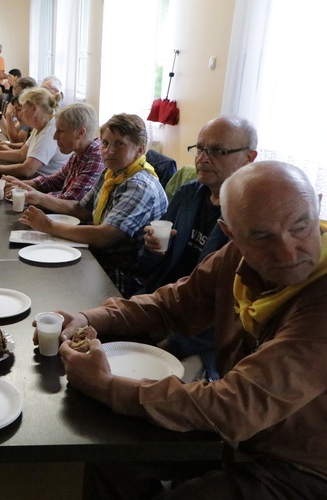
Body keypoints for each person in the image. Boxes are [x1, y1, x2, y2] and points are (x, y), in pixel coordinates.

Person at [55, 161, 327, 499]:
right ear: (231, 233)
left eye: (301, 226)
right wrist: (90, 317)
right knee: (111, 454)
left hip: (302, 466)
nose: (288, 251)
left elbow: (238, 405)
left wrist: (106, 386)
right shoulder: (234, 258)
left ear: (316, 207)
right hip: (240, 437)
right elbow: (172, 304)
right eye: (261, 235)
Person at [136, 116, 259, 376]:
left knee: (158, 384)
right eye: (200, 148)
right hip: (162, 308)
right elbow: (147, 267)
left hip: (203, 338)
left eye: (217, 150)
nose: (203, 158)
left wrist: (174, 342)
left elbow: (233, 312)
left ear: (249, 158)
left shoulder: (251, 219)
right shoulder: (187, 194)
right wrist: (151, 250)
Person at [19, 113, 167, 297]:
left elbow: (105, 236)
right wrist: (38, 198)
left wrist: (48, 226)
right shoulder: (112, 173)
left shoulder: (138, 185)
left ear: (140, 149)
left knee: (48, 283)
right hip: (101, 257)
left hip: (124, 275)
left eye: (119, 144)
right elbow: (81, 209)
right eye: (105, 143)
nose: (109, 150)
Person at [2, 103, 105, 214]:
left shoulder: (96, 158)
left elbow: (73, 203)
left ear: (80, 133)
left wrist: (37, 197)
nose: (55, 137)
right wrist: (23, 185)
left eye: (60, 131)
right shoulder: (79, 151)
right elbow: (56, 180)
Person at [0, 87, 70, 178]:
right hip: (35, 179)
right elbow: (21, 154)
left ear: (34, 109)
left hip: (45, 187)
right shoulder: (40, 126)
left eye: (23, 108)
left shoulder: (49, 132)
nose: (21, 113)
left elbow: (27, 170)